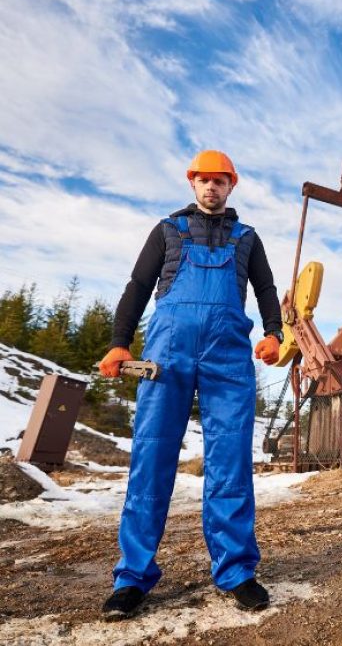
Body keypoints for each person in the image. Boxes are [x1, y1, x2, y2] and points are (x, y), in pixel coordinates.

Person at [98, 150, 283, 620]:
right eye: (203, 180)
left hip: (227, 361)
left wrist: (274, 333)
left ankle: (237, 570)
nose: (211, 187)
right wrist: (120, 343)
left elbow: (265, 289)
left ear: (231, 185)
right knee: (151, 460)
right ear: (192, 183)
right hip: (168, 357)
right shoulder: (167, 231)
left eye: (220, 181)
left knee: (230, 462)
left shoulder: (248, 238)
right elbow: (138, 287)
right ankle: (132, 578)